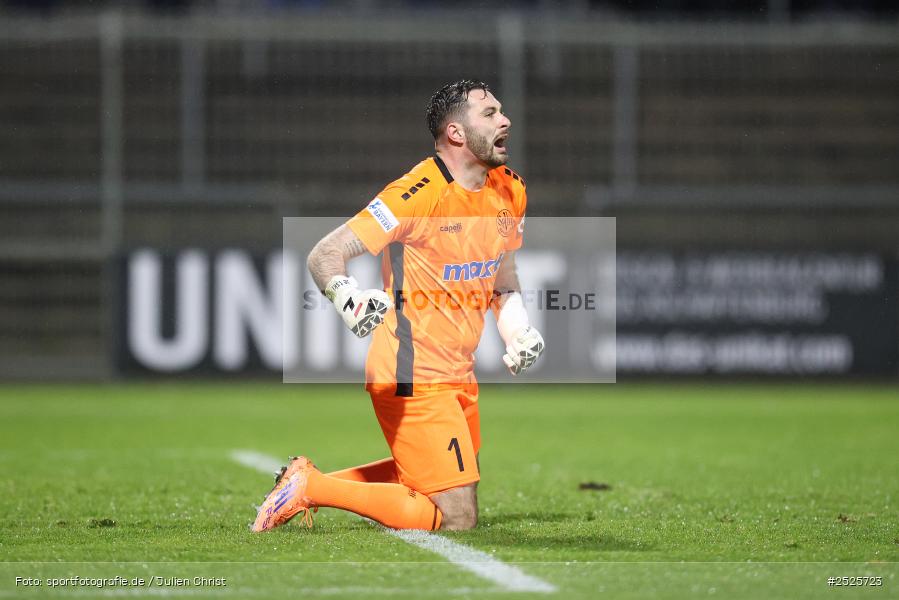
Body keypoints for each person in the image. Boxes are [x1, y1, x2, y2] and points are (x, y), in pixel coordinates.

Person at [252, 79, 544, 532]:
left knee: (452, 479)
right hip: (412, 373)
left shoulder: (510, 190)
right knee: (457, 517)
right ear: (456, 134)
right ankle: (312, 487)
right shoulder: (417, 193)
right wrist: (348, 299)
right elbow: (323, 255)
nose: (505, 120)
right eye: (489, 114)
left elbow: (502, 279)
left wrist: (517, 328)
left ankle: (301, 485)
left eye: (501, 111)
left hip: (457, 371)